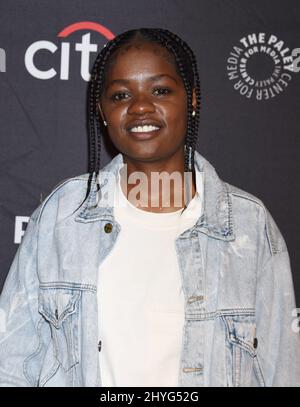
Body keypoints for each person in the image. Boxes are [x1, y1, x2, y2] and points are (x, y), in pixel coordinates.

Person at [0, 27, 299, 387]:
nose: (140, 106)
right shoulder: (63, 215)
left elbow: (282, 368)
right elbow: (11, 361)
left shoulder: (248, 225)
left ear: (191, 98)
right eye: (121, 94)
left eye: (160, 90)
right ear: (102, 110)